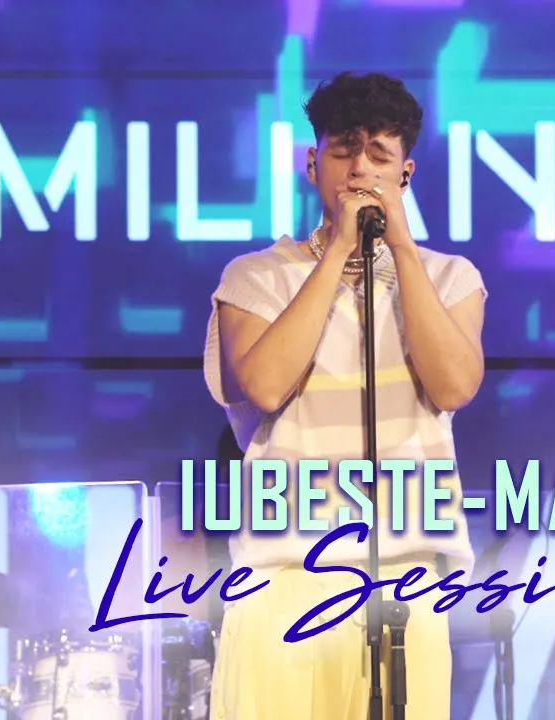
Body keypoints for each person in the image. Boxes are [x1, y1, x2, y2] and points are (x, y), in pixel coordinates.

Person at [202, 72, 488, 720]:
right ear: (313, 164)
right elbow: (265, 385)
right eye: (343, 151)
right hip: (283, 582)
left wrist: (401, 249)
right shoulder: (256, 278)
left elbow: (454, 385)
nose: (360, 170)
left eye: (379, 155)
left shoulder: (450, 278)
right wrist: (336, 253)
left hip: (407, 583)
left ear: (405, 173)